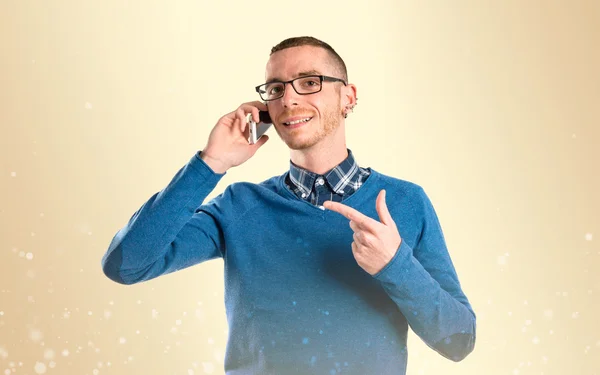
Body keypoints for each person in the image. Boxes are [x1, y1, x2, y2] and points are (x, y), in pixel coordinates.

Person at [101, 36, 476, 375]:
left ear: (348, 97)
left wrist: (395, 265)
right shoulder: (239, 206)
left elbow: (458, 341)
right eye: (275, 89)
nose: (289, 99)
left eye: (310, 82)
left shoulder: (405, 202)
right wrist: (210, 164)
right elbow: (126, 265)